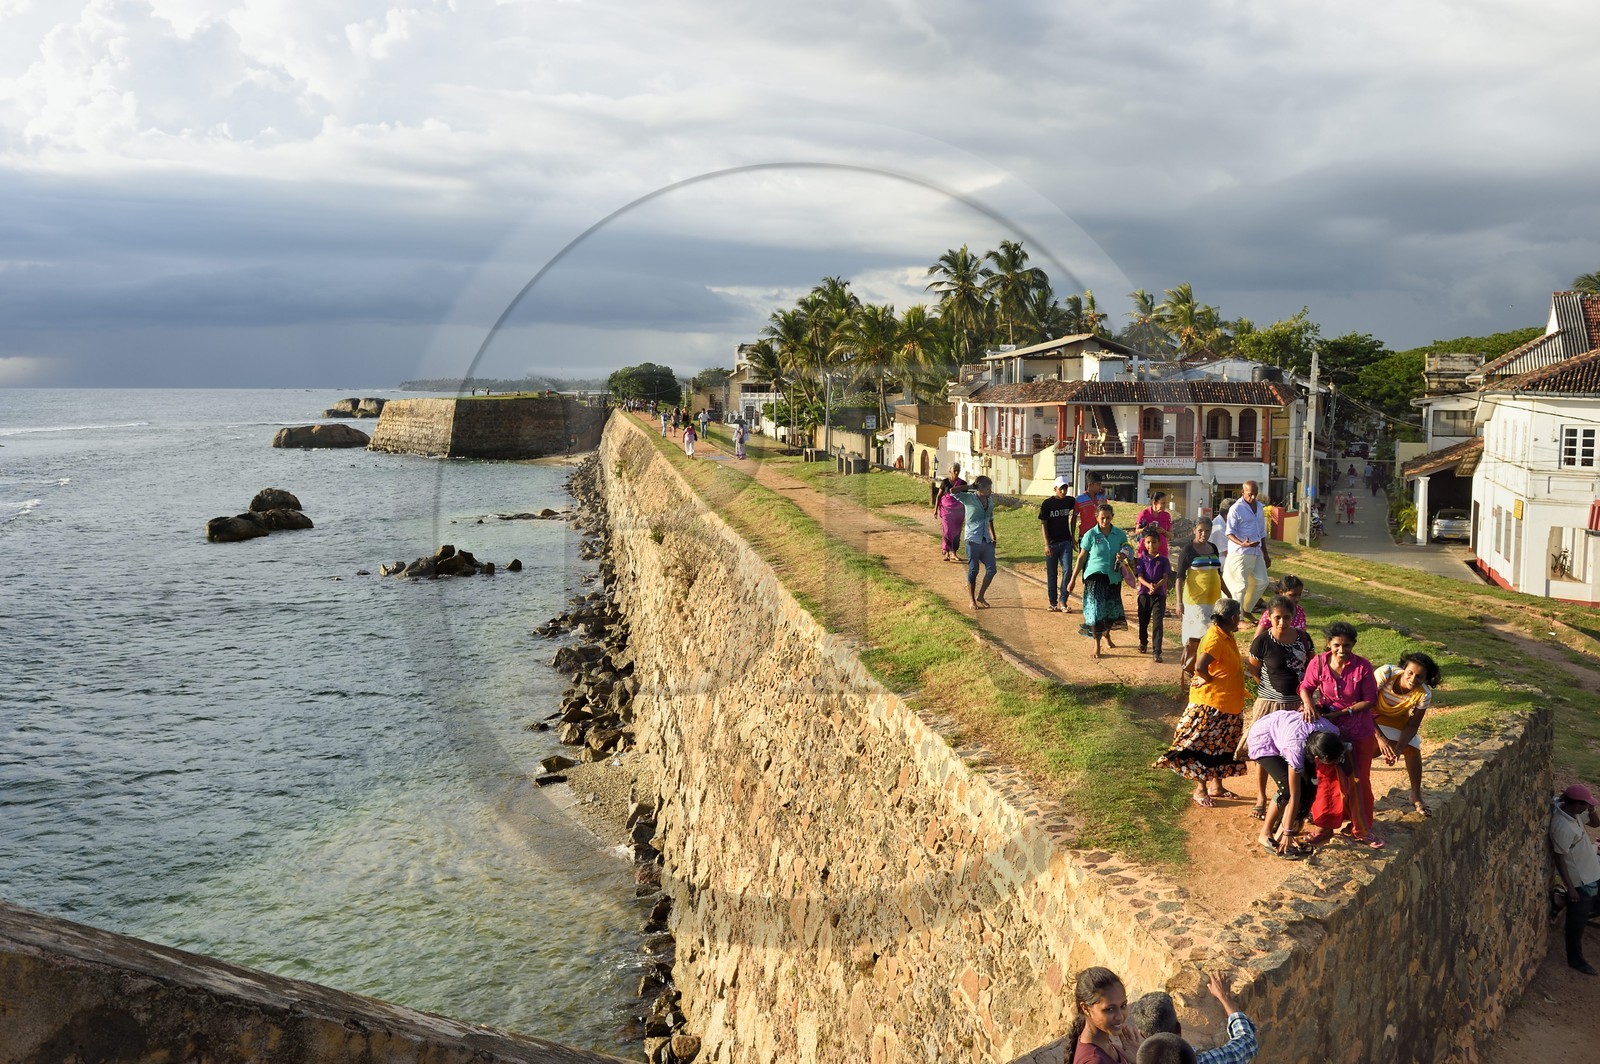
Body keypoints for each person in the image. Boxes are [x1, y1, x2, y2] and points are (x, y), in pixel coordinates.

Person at [1154, 598, 1247, 806]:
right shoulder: (1215, 638)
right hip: (1212, 705)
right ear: (1232, 617)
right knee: (1206, 748)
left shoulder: (1226, 635)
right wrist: (1210, 680)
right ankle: (1200, 789)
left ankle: (1217, 786)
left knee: (1223, 747)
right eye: (1238, 615)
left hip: (1229, 704)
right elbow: (1200, 666)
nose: (1239, 618)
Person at [1298, 621, 1381, 847]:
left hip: (1358, 730)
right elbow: (1305, 687)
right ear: (1329, 644)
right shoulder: (1318, 662)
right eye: (1337, 645)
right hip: (1328, 731)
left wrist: (1344, 712)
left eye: (1347, 646)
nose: (1342, 650)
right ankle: (1324, 827)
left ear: (1353, 645)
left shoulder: (1363, 667)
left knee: (1358, 780)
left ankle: (1362, 829)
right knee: (1326, 779)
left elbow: (1370, 700)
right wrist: (1308, 705)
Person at [1241, 595, 1316, 819]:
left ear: (1293, 617)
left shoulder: (1303, 638)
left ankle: (1295, 799)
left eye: (1286, 617)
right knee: (1264, 751)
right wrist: (1267, 691)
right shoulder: (1262, 641)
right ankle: (1261, 797)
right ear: (1269, 618)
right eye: (1277, 618)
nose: (1282, 622)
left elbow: (1312, 669)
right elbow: (1254, 670)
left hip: (1297, 705)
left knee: (1297, 753)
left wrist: (1308, 699)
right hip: (1268, 705)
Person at [1248, 715, 1346, 859]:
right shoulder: (1295, 749)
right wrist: (1288, 832)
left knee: (1310, 787)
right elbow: (1295, 795)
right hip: (1264, 738)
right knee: (1287, 789)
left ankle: (1283, 834)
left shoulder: (1331, 731)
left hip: (1288, 731)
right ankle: (1266, 833)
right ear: (1318, 758)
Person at [1128, 971, 1260, 1064]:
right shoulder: (1202, 1061)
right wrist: (1224, 997)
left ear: (1142, 1035)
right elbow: (1247, 1043)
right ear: (1178, 1027)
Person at [1373, 651, 1442, 817]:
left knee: (1412, 749)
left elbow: (1412, 725)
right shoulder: (1386, 673)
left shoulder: (1424, 694)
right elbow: (1364, 704)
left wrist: (1398, 748)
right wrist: (1381, 739)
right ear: (1403, 669)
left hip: (1396, 719)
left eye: (1419, 677)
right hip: (1369, 715)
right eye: (1410, 673)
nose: (1413, 679)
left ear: (1426, 679)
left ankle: (1416, 794)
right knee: (1369, 750)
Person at [1066, 502, 1133, 659]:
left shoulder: (1119, 534)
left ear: (1112, 517)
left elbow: (1128, 550)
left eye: (1108, 518)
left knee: (1110, 610)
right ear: (1097, 518)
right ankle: (1096, 645)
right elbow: (1082, 557)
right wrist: (1073, 579)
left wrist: (1123, 554)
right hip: (1094, 576)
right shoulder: (1090, 535)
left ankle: (1107, 634)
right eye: (1102, 518)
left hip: (1114, 577)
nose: (1105, 521)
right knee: (1096, 611)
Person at [1549, 783, 1600, 975]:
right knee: (1576, 923)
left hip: (1592, 869)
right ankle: (1576, 960)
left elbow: (1596, 823)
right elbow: (1559, 858)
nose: (1588, 807)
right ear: (1576, 804)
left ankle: (1561, 901)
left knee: (1591, 906)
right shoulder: (1562, 826)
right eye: (1586, 804)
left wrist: (1592, 809)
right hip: (1581, 878)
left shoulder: (1574, 815)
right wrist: (1570, 887)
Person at [1175, 523, 1223, 688]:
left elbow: (1218, 574)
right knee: (1195, 638)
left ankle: (1205, 671)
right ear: (1194, 530)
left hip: (1214, 601)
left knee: (1210, 637)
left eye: (1207, 530)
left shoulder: (1214, 548)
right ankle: (1190, 670)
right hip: (1195, 602)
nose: (1204, 534)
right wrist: (1179, 602)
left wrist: (1228, 595)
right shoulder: (1188, 550)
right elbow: (1179, 577)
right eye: (1200, 530)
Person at [1066, 967, 1142, 1064]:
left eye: (1123, 1006)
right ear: (1085, 1008)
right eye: (1109, 1009)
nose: (1119, 1017)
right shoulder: (1094, 1060)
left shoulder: (1106, 1046)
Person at [1223, 481, 1270, 620]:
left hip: (1256, 552)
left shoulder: (1260, 508)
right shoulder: (1236, 509)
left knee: (1263, 581)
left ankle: (1247, 609)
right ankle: (1238, 619)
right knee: (1240, 586)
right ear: (1242, 493)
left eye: (1255, 494)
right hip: (1240, 553)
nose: (1253, 497)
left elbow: (1262, 533)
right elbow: (1229, 533)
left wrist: (1266, 554)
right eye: (1250, 494)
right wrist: (1242, 544)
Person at [950, 475, 999, 609]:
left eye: (990, 488)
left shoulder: (990, 501)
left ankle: (981, 596)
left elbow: (990, 519)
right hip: (972, 539)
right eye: (987, 488)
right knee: (974, 570)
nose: (990, 491)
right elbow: (952, 491)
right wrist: (970, 486)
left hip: (985, 539)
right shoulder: (969, 498)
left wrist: (993, 536)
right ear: (980, 488)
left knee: (992, 569)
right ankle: (972, 600)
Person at [1040, 476, 1078, 612]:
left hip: (1065, 541)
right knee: (1052, 574)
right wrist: (1046, 544)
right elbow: (1043, 524)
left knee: (1068, 570)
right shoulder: (1047, 504)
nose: (1063, 491)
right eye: (1061, 489)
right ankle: (1053, 602)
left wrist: (1073, 537)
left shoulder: (1070, 501)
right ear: (1055, 489)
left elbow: (1077, 513)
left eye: (1065, 488)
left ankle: (1063, 600)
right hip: (1051, 543)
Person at [1135, 528, 1170, 661]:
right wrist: (1149, 586)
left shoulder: (1164, 560)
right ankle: (1143, 643)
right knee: (1143, 621)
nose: (1151, 545)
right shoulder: (1141, 560)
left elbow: (1165, 577)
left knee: (1157, 623)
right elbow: (1140, 577)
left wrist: (1157, 586)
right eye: (1148, 542)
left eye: (1154, 542)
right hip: (1144, 594)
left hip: (1159, 594)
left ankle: (1157, 651)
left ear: (1159, 543)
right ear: (1144, 543)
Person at [1134, 492, 1172, 561]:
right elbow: (1136, 531)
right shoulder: (1144, 514)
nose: (1165, 505)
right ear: (1154, 503)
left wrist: (1163, 531)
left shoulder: (1166, 515)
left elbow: (1170, 535)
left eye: (1165, 503)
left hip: (1161, 551)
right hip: (1146, 551)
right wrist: (1146, 527)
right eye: (1162, 503)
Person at [935, 477, 965, 562]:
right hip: (946, 511)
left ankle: (954, 553)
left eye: (957, 471)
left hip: (958, 512)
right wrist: (935, 510)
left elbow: (966, 498)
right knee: (947, 531)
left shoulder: (962, 483)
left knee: (956, 532)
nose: (956, 472)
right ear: (950, 471)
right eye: (954, 470)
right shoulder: (945, 482)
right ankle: (947, 552)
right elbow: (939, 496)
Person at [1074, 476, 1109, 544]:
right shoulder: (1079, 499)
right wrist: (1073, 537)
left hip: (1100, 534)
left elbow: (1107, 515)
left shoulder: (1102, 497)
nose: (1100, 487)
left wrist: (1102, 505)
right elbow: (1074, 518)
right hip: (1084, 534)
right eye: (1098, 484)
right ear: (1090, 485)